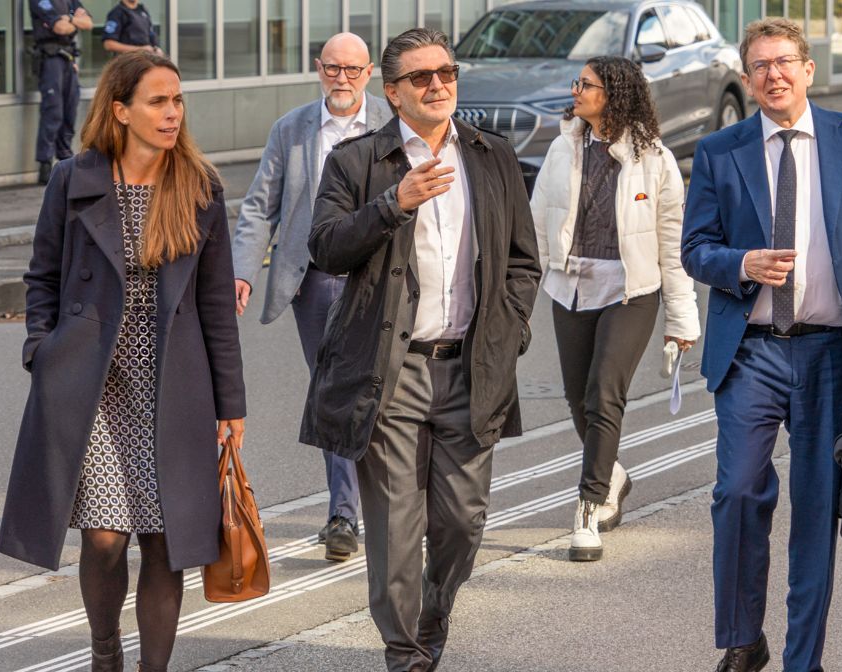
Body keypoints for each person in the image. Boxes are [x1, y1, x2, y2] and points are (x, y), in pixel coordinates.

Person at [0, 51, 246, 672]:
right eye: (158, 101)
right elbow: (42, 276)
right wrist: (42, 352)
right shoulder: (73, 180)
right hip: (94, 385)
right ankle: (105, 653)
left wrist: (231, 405)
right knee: (105, 536)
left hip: (172, 384)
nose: (172, 112)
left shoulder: (199, 187)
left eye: (177, 100)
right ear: (120, 110)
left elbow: (217, 305)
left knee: (165, 541)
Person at [300, 28, 541, 672]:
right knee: (396, 529)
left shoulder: (492, 155)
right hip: (389, 371)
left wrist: (509, 331)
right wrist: (393, 205)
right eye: (421, 77)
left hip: (472, 366)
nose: (438, 85)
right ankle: (404, 652)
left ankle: (433, 618)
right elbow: (325, 247)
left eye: (446, 72)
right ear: (393, 92)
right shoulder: (357, 161)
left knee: (463, 521)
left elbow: (523, 260)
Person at [680, 17, 842, 672]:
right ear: (746, 78)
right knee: (737, 491)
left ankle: (803, 660)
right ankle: (742, 639)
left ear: (808, 69)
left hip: (828, 353)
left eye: (783, 62)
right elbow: (695, 249)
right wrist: (741, 264)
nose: (773, 74)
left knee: (816, 508)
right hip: (750, 350)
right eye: (760, 65)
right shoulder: (720, 150)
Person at [529, 55, 699, 562]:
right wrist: (523, 288)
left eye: (586, 84)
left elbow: (673, 245)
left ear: (615, 94)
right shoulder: (563, 147)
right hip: (571, 286)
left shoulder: (655, 158)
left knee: (605, 392)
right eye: (577, 82)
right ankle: (613, 474)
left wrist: (681, 319)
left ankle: (588, 507)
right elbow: (537, 224)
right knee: (577, 398)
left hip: (631, 291)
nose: (576, 91)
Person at [232, 32, 392, 563]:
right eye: (332, 68)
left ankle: (389, 504)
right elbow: (261, 206)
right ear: (318, 68)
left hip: (378, 277)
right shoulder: (292, 128)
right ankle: (343, 513)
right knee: (333, 393)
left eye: (352, 70)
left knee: (382, 392)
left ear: (369, 73)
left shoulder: (391, 123)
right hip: (316, 279)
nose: (341, 79)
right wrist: (242, 272)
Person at [29, 0, 92, 185]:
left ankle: (65, 159)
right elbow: (60, 28)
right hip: (51, 59)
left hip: (68, 58)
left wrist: (69, 19)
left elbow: (88, 23)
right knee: (53, 111)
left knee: (70, 110)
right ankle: (45, 163)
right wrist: (73, 21)